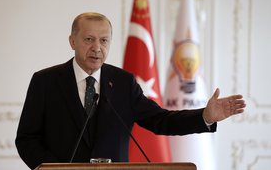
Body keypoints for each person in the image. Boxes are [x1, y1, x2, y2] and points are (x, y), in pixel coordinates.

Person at [15, 12, 246, 169]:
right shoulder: (45, 82)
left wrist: (204, 116)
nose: (97, 48)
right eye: (89, 39)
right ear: (72, 41)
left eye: (104, 40)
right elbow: (26, 139)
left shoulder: (123, 82)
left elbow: (160, 120)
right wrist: (52, 169)